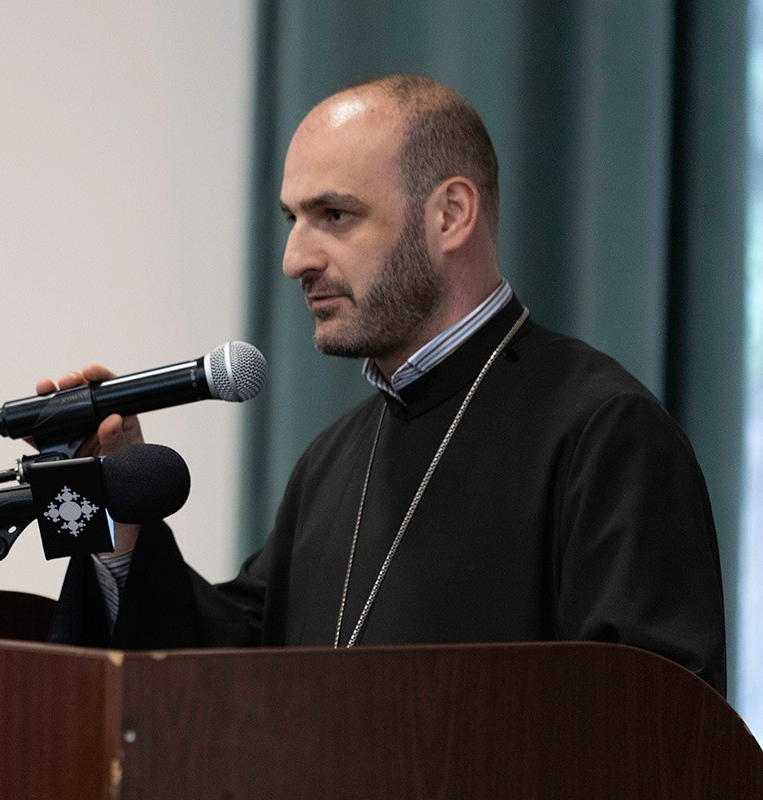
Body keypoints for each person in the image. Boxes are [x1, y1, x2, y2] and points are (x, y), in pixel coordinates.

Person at [40, 74, 727, 694]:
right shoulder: (331, 460)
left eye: (334, 216)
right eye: (292, 220)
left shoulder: (606, 432)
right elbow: (235, 671)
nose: (294, 260)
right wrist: (108, 513)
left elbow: (653, 728)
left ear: (450, 214)